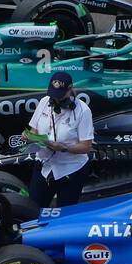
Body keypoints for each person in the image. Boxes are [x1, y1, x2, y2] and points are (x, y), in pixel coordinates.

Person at [25, 71, 93, 206]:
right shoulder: (44, 102)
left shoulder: (83, 111)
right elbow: (34, 129)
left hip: (71, 169)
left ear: (70, 90)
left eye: (60, 96)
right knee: (33, 210)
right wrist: (30, 136)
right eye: (53, 96)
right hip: (44, 166)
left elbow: (86, 146)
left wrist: (64, 147)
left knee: (65, 215)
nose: (56, 100)